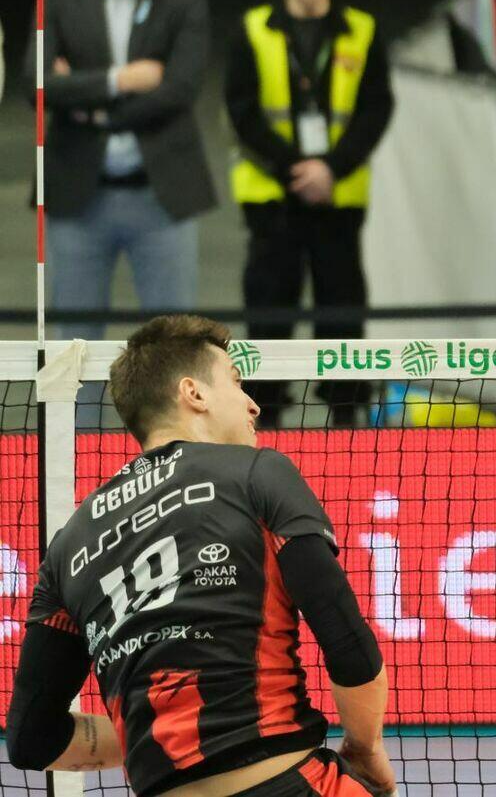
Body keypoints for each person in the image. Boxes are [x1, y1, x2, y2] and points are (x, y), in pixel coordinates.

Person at [5, 315, 394, 797]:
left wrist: (160, 732)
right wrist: (365, 748)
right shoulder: (257, 473)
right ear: (194, 393)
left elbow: (30, 739)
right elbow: (347, 641)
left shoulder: (68, 546)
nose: (253, 404)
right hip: (290, 783)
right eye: (235, 381)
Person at [25, 0, 215, 341]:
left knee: (175, 344)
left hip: (162, 195)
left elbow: (179, 89)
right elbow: (37, 85)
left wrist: (85, 102)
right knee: (73, 342)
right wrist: (121, 80)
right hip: (76, 196)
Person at [227, 0, 395, 428]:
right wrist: (294, 170)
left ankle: (347, 415)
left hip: (337, 200)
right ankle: (263, 416)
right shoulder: (253, 30)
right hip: (272, 200)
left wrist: (331, 169)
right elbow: (242, 113)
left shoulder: (362, 31)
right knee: (268, 315)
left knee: (342, 312)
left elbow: (375, 110)